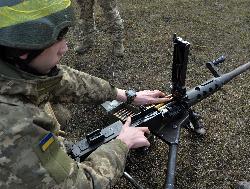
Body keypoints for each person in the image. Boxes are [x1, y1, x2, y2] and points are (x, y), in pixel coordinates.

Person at [0, 1, 169, 188]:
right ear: (23, 49)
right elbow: (79, 185)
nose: (65, 48)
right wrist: (122, 144)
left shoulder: (14, 68)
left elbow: (64, 81)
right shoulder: (16, 127)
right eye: (58, 39)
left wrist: (128, 96)